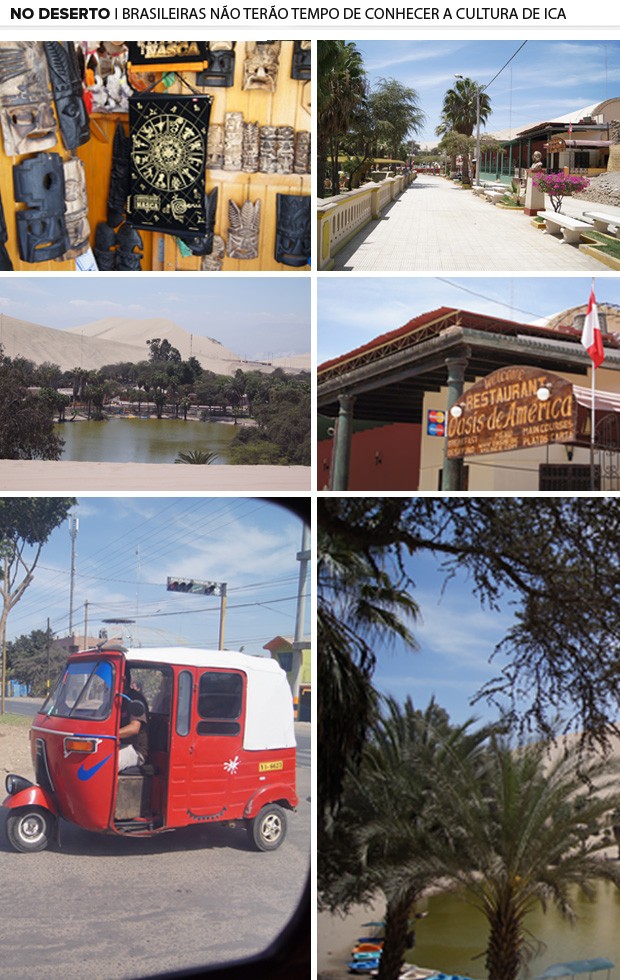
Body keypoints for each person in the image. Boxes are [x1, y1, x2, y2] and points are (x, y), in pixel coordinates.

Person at [118, 670, 149, 771]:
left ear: (123, 679)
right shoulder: (114, 698)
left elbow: (134, 728)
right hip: (118, 745)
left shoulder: (135, 699)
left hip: (135, 750)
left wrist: (112, 734)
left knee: (106, 763)